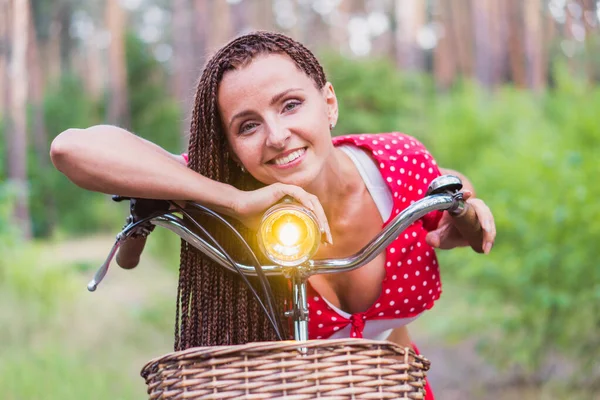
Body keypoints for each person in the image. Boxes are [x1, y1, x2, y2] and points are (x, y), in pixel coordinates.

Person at [50, 31, 495, 398]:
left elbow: (447, 184)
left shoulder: (398, 163)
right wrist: (235, 201)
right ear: (230, 148)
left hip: (398, 388)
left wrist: (469, 208)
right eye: (247, 125)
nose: (277, 136)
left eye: (290, 105)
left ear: (330, 103)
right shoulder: (228, 194)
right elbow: (71, 149)